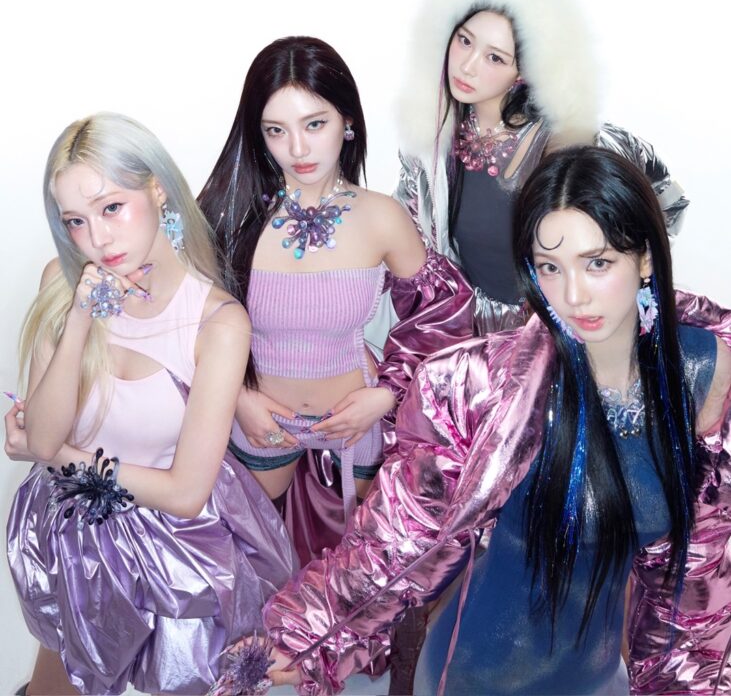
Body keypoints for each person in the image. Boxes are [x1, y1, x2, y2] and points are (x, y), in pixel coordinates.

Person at [212, 147, 731, 696]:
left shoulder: (704, 375)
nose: (574, 296)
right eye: (550, 268)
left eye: (597, 263)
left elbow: (696, 582)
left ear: (645, 257)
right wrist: (306, 635)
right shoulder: (481, 386)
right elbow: (397, 540)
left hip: (598, 681)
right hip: (475, 675)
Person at [5, 113, 295, 696]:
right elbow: (42, 435)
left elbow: (184, 492)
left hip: (171, 552)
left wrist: (58, 457)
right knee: (54, 683)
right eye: (76, 221)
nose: (97, 238)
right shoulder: (63, 283)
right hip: (70, 538)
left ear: (157, 189)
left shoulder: (217, 322)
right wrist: (80, 314)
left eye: (111, 207)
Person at [197, 36, 473, 556]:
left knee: (361, 577)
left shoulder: (381, 216)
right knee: (253, 571)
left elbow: (443, 314)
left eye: (314, 124)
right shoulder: (227, 216)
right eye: (276, 130)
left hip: (356, 426)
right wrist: (236, 396)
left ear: (347, 121)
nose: (298, 149)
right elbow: (184, 322)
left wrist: (386, 395)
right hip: (257, 424)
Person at [395, 0, 689, 334]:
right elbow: (414, 246)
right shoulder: (430, 148)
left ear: (524, 71)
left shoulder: (568, 143)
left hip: (557, 334)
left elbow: (666, 203)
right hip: (466, 335)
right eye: (465, 40)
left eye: (495, 57)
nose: (467, 66)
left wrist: (617, 284)